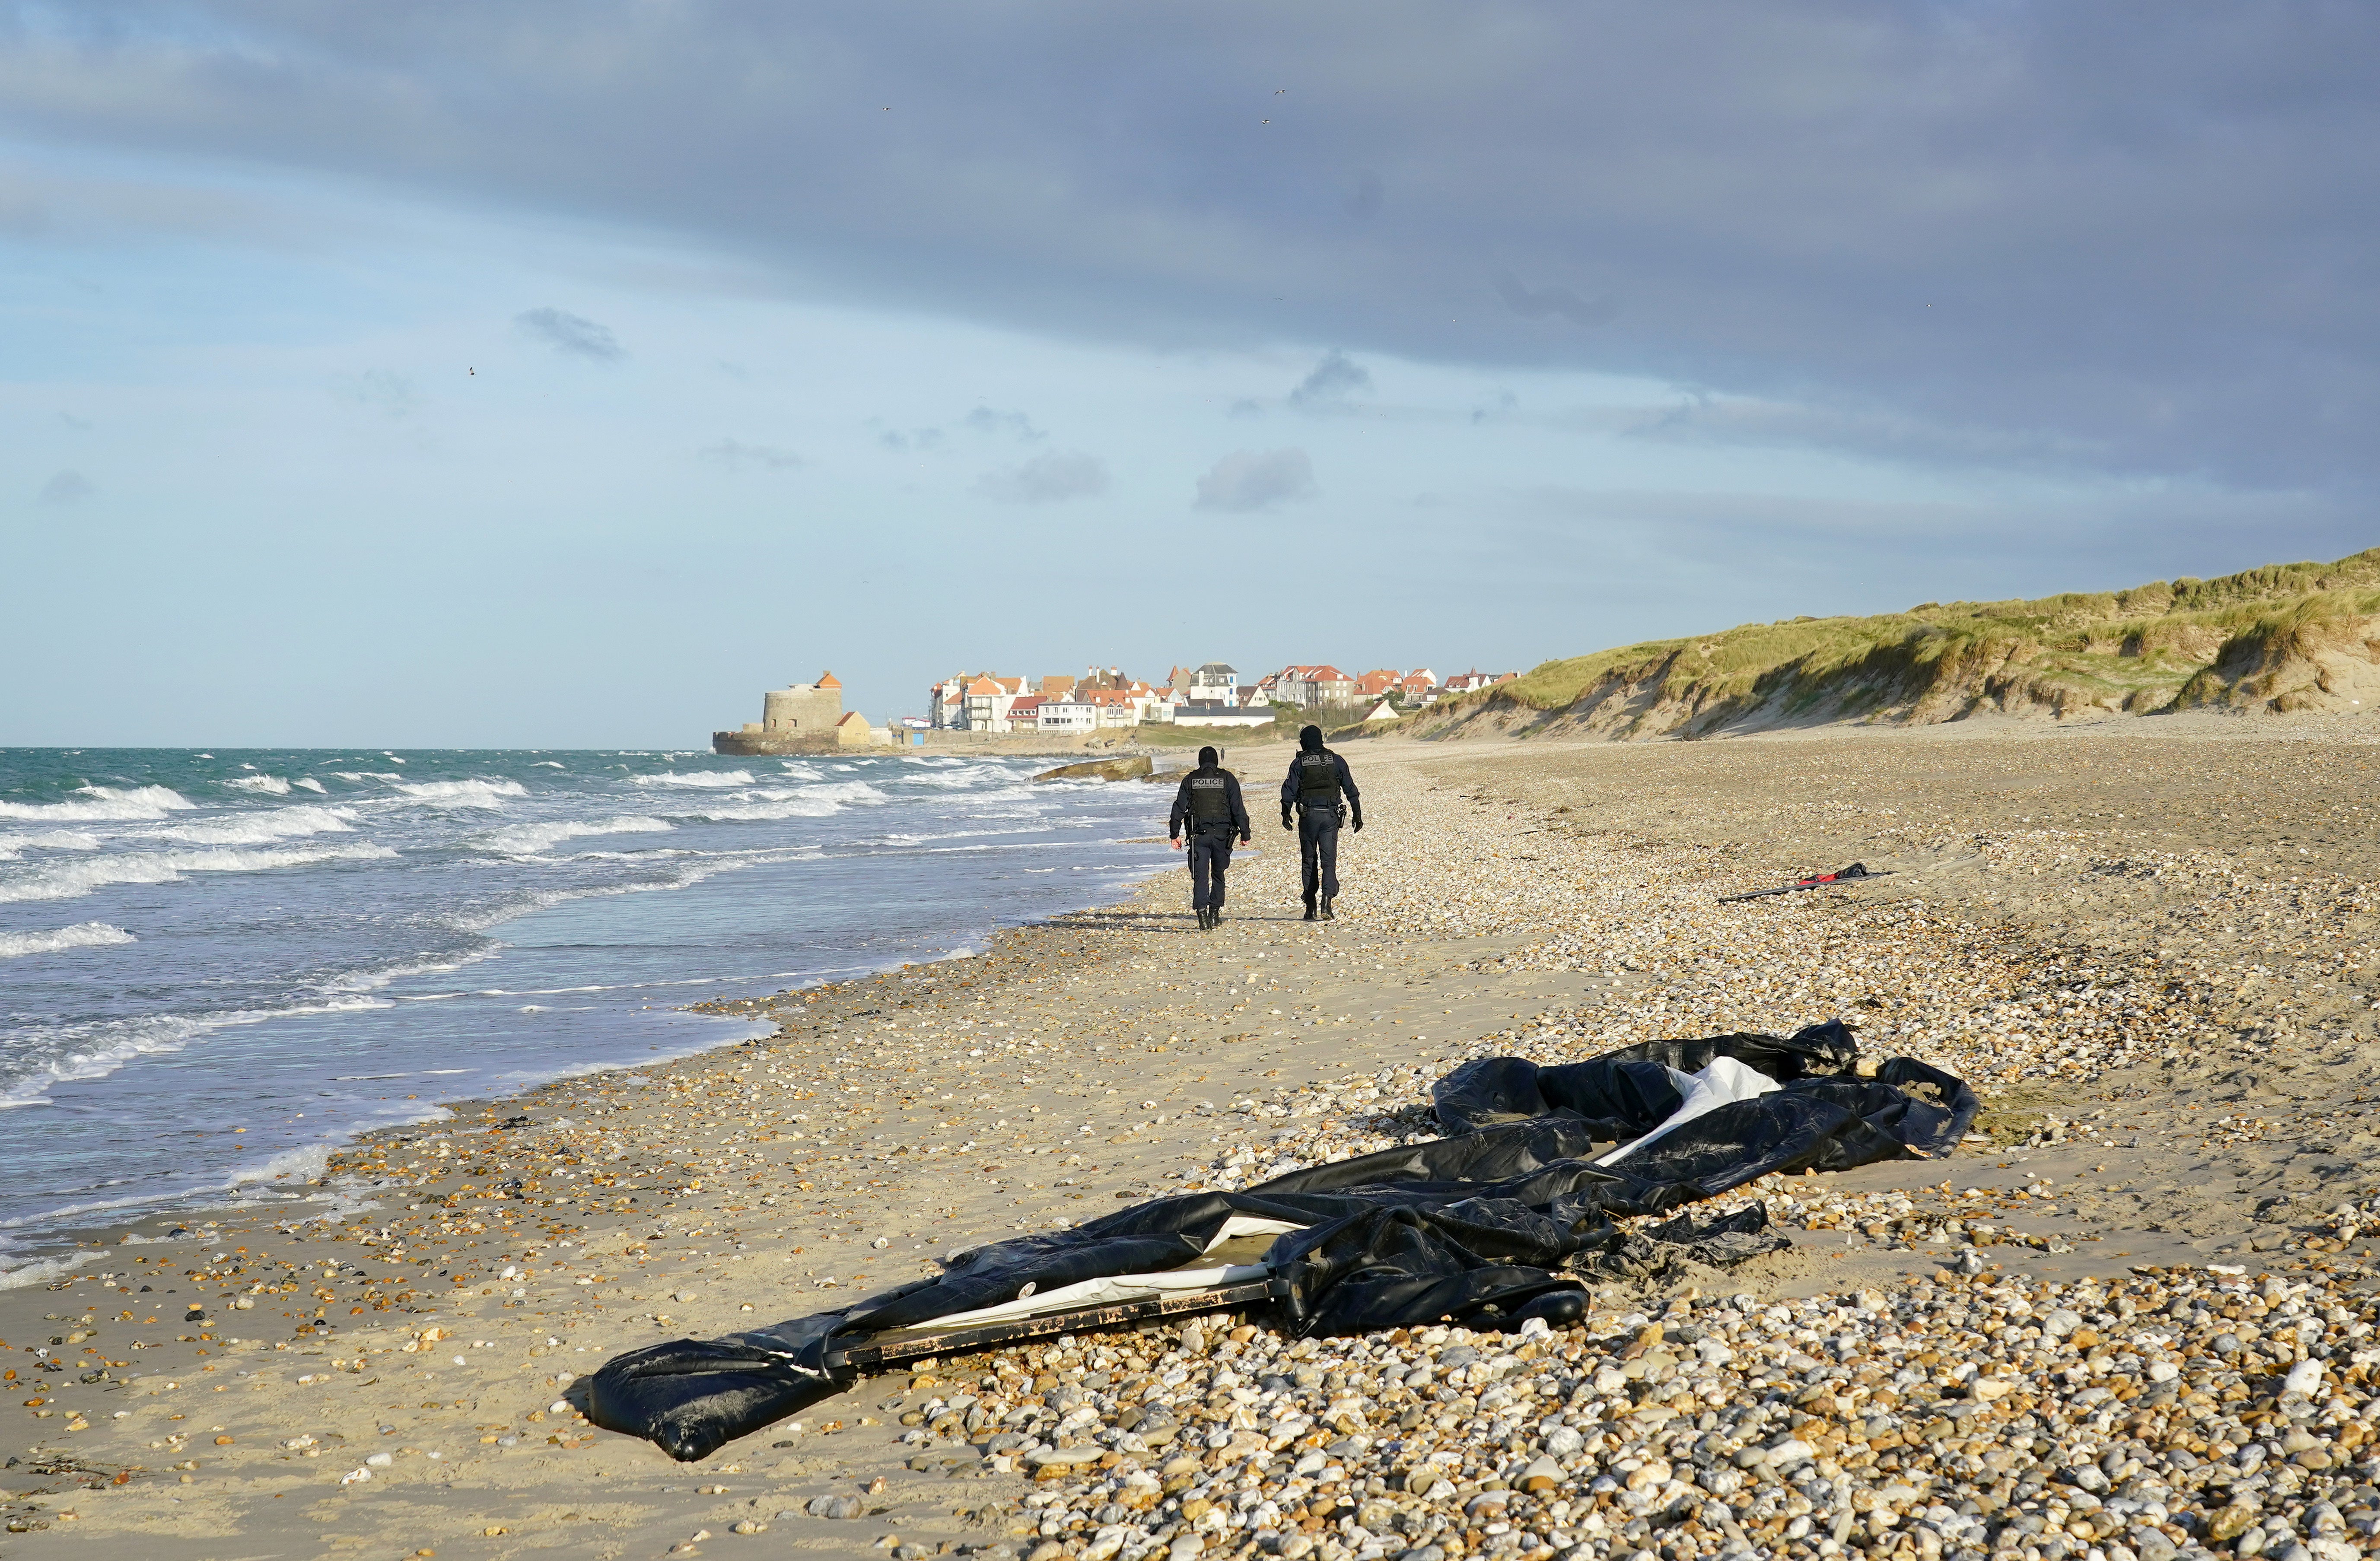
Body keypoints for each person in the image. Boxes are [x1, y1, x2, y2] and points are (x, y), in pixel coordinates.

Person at [1279, 724, 1362, 920]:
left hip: (1308, 817)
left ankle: (1310, 906)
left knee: (1309, 860)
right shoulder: (1337, 760)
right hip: (1330, 817)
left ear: (1305, 741)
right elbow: (1351, 789)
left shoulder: (1300, 763)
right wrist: (1357, 815)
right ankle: (1327, 903)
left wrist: (1286, 814)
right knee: (1329, 861)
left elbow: (1288, 791)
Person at [1168, 746, 1250, 931]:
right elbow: (1238, 808)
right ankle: (1214, 913)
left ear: (1199, 761)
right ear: (1216, 761)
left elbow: (1179, 809)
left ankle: (1202, 916)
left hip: (1199, 838)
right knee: (1218, 874)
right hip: (1222, 836)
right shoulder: (1228, 779)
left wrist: (1175, 835)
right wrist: (1245, 833)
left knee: (1200, 877)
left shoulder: (1190, 780)